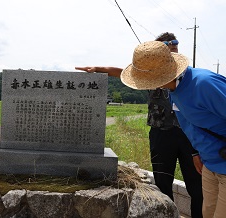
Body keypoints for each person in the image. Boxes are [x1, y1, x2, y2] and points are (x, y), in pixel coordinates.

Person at [75, 32, 203, 218]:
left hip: (189, 136)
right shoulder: (148, 75)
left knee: (196, 186)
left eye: (175, 42)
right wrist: (98, 68)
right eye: (167, 43)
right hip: (160, 135)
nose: (173, 45)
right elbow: (121, 72)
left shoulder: (188, 73)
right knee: (162, 183)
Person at [119, 40, 226, 218]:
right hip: (210, 165)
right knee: (207, 213)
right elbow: (191, 125)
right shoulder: (172, 90)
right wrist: (195, 152)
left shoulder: (204, 84)